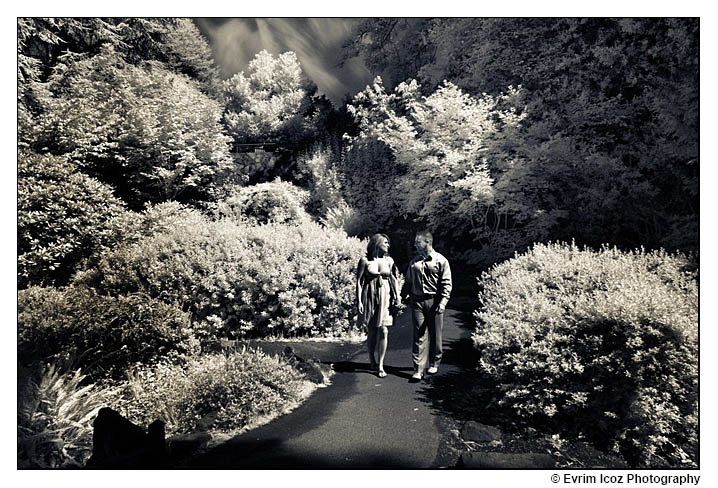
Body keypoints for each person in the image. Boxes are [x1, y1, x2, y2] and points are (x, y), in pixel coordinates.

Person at [401, 230, 452, 382]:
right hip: (417, 301)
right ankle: (418, 369)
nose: (415, 245)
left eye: (418, 242)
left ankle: (434, 362)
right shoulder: (414, 263)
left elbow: (446, 284)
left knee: (435, 334)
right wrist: (401, 297)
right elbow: (408, 283)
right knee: (419, 335)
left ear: (428, 242)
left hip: (434, 301)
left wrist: (443, 302)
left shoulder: (441, 261)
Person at [356, 233, 400, 378]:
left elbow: (393, 279)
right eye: (385, 242)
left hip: (386, 296)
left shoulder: (389, 260)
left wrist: (397, 297)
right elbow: (359, 282)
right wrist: (359, 301)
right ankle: (372, 360)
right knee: (372, 330)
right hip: (370, 295)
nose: (388, 245)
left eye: (388, 243)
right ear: (377, 243)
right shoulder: (365, 260)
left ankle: (381, 365)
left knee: (384, 330)